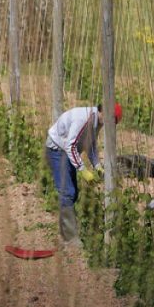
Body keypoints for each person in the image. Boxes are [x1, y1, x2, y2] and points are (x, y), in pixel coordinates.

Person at [45, 102, 121, 247]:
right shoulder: (84, 119)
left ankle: (67, 230)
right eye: (112, 122)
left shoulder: (96, 122)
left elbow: (90, 145)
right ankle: (70, 238)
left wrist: (97, 166)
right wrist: (83, 169)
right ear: (104, 113)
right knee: (67, 192)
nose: (110, 126)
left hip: (66, 151)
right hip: (57, 150)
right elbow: (70, 145)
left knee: (74, 193)